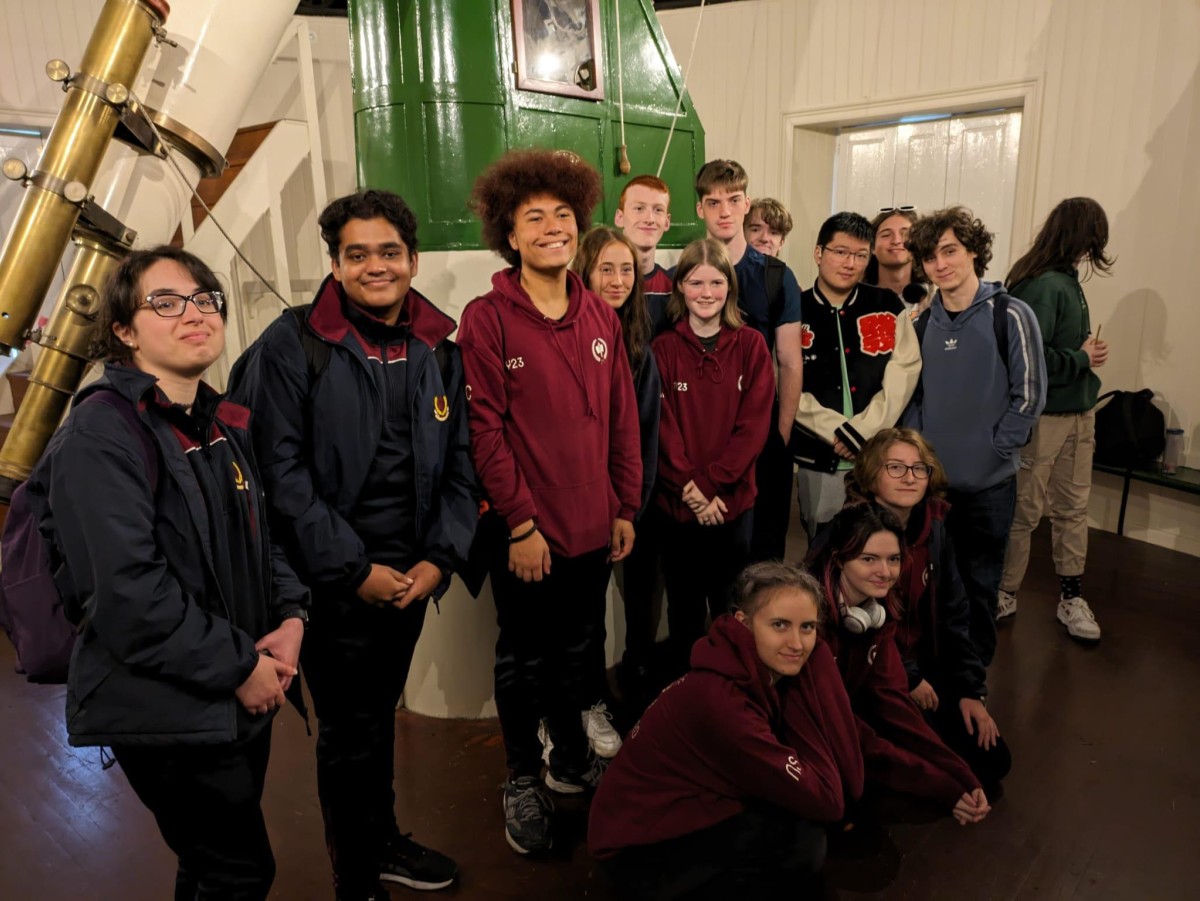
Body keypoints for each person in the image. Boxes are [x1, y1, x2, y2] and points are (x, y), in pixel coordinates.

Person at [31, 246, 308, 899]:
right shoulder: (101, 433)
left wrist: (292, 616)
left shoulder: (217, 418)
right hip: (168, 702)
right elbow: (128, 595)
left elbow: (262, 533)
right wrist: (240, 666)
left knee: (210, 866)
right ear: (124, 330)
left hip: (234, 687)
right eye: (166, 302)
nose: (195, 312)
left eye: (205, 298)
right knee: (238, 872)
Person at [228, 190, 475, 899]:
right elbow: (280, 475)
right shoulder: (293, 343)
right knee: (348, 732)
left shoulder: (439, 347)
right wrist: (354, 568)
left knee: (378, 718)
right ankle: (356, 876)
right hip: (335, 582)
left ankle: (382, 838)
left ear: (413, 259)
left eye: (389, 252)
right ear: (335, 265)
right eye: (357, 254)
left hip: (412, 577)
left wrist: (439, 559)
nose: (376, 266)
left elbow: (461, 464)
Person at [458, 149, 642, 855]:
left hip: (595, 524)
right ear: (509, 235)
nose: (551, 228)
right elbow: (484, 430)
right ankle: (521, 778)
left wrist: (624, 505)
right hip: (528, 535)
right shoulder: (487, 319)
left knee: (577, 653)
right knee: (523, 662)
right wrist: (521, 523)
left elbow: (621, 416)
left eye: (562, 215)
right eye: (533, 218)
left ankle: (569, 759)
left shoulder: (598, 313)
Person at [588, 562, 864, 900]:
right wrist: (814, 663)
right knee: (805, 844)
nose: (797, 643)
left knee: (796, 821)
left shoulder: (746, 667)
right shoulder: (723, 706)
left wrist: (816, 656)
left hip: (665, 815)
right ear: (743, 623)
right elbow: (828, 802)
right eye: (779, 625)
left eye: (808, 627)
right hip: (635, 854)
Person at [902, 206, 1047, 668]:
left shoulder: (1011, 314)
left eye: (949, 251)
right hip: (935, 487)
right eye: (930, 257)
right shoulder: (922, 324)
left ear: (973, 252)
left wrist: (995, 447)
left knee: (980, 589)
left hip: (989, 487)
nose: (940, 264)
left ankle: (973, 682)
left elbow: (1029, 395)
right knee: (932, 587)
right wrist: (923, 453)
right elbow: (915, 397)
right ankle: (935, 676)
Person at [844, 429, 1012, 792]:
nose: (909, 477)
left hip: (928, 673)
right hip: (877, 677)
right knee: (945, 772)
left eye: (919, 468)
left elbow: (956, 615)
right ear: (871, 475)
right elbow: (862, 628)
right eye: (895, 467)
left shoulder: (934, 528)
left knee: (993, 760)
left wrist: (970, 690)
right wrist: (909, 679)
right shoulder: (851, 532)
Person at [807, 505, 990, 825]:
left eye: (893, 559)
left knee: (981, 763)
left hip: (842, 725)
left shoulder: (876, 613)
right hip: (802, 737)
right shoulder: (809, 624)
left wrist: (962, 774)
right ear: (838, 559)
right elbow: (845, 728)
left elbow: (894, 702)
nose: (886, 571)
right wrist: (941, 786)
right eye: (869, 559)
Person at [653, 238, 775, 676]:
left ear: (730, 288)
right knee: (684, 609)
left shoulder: (752, 346)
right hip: (679, 505)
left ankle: (732, 688)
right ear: (680, 288)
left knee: (731, 607)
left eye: (716, 282)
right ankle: (688, 691)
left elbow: (753, 428)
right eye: (696, 282)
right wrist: (691, 488)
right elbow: (662, 429)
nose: (706, 293)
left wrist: (710, 486)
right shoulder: (663, 349)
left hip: (731, 504)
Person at [998, 198, 1114, 642]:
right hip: (1044, 418)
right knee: (1024, 510)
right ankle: (1005, 592)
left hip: (1079, 413)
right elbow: (1027, 357)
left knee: (1073, 509)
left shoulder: (1064, 280)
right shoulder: (1046, 285)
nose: (1095, 248)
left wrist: (1083, 356)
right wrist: (1080, 358)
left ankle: (1071, 597)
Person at [693, 160, 804, 562]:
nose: (724, 211)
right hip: (704, 436)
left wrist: (781, 434)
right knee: (707, 554)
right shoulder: (688, 273)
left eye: (733, 200)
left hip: (763, 435)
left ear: (746, 203)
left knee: (763, 555)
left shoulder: (776, 277)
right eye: (713, 202)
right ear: (700, 209)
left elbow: (789, 361)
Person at [573, 226, 663, 719]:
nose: (617, 280)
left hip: (624, 504)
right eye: (605, 269)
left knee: (621, 606)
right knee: (579, 620)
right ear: (584, 273)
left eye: (626, 269)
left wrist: (630, 508)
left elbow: (643, 436)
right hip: (576, 505)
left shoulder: (638, 344)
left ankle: (614, 695)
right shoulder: (567, 336)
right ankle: (577, 708)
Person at [792, 212, 921, 538]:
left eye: (860, 255)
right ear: (818, 253)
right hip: (819, 455)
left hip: (879, 455)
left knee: (882, 542)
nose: (850, 263)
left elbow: (905, 369)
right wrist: (839, 432)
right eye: (840, 252)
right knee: (823, 543)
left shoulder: (887, 305)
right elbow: (784, 381)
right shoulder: (793, 309)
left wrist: (864, 431)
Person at [615, 174, 674, 332]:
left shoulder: (673, 289)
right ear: (620, 217)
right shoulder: (601, 284)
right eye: (639, 208)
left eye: (658, 210)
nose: (649, 219)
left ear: (667, 222)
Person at [863, 206, 928, 318]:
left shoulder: (936, 298)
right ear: (872, 247)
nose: (896, 241)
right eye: (886, 235)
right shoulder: (855, 297)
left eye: (905, 234)